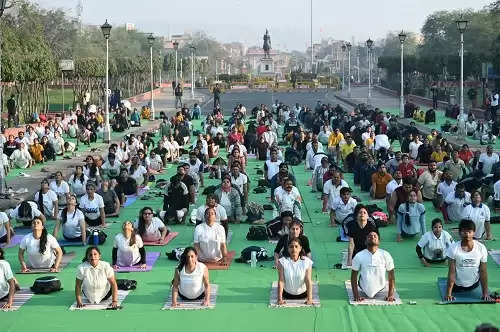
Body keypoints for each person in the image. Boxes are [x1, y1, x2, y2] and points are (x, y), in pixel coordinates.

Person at [445, 220, 491, 302]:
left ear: (474, 232)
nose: (467, 234)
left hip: (474, 285)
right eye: (464, 232)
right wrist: (448, 293)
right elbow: (452, 272)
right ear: (459, 233)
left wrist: (485, 293)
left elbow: (483, 271)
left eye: (469, 232)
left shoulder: (481, 248)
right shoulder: (453, 248)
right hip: (457, 286)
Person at [351, 231, 396, 302]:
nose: (372, 237)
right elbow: (353, 276)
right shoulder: (359, 255)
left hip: (381, 288)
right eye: (369, 236)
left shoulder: (386, 254)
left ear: (379, 242)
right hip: (363, 288)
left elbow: (391, 275)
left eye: (375, 236)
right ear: (365, 242)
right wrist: (356, 295)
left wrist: (390, 295)